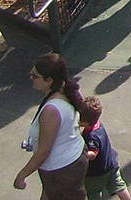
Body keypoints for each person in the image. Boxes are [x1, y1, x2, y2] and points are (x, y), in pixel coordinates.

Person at [14, 53, 88, 198]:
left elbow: (44, 151)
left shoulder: (51, 111)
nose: (31, 78)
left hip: (61, 170)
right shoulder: (68, 90)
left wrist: (21, 176)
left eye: (35, 76)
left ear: (49, 81)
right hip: (73, 158)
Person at [77, 97, 131, 200]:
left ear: (85, 122)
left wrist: (82, 153)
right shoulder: (98, 124)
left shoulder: (91, 136)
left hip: (97, 172)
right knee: (119, 185)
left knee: (93, 192)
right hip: (111, 164)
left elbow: (93, 154)